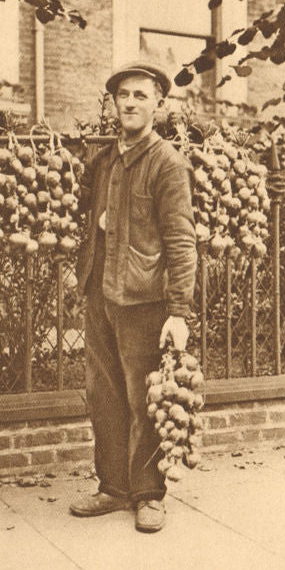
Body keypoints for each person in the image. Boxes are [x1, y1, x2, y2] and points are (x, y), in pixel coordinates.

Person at [69, 62, 197, 533]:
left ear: (158, 104)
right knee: (103, 393)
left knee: (146, 397)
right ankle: (112, 487)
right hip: (100, 291)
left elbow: (182, 241)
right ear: (114, 103)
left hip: (144, 299)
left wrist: (178, 311)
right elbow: (82, 208)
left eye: (141, 95)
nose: (130, 102)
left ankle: (148, 494)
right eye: (123, 94)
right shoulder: (103, 159)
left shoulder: (168, 163)